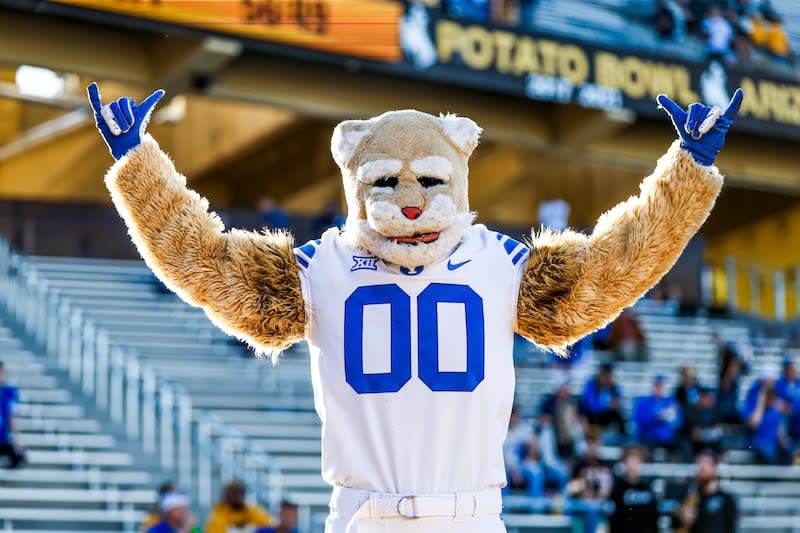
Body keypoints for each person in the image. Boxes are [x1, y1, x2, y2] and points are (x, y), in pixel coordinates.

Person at [89, 77, 741, 533]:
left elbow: (608, 269)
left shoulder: (495, 259)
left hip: (471, 516)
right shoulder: (324, 263)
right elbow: (208, 264)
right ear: (353, 176)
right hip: (364, 514)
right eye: (388, 182)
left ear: (456, 172)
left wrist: (686, 172)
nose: (408, 200)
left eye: (429, 180)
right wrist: (137, 166)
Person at [672, 450, 738, 533]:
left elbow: (731, 527)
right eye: (698, 463)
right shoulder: (690, 497)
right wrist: (681, 517)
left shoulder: (727, 499)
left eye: (705, 463)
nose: (701, 467)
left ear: (714, 467)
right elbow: (674, 524)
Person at [742, 363, 791, 464]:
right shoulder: (752, 401)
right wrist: (761, 401)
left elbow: (781, 430)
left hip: (773, 446)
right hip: (757, 444)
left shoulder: (777, 405)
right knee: (767, 451)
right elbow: (754, 423)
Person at [608, 445, 658, 533]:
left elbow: (653, 518)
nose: (633, 465)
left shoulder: (648, 490)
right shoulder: (617, 490)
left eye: (637, 461)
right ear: (624, 463)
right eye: (630, 460)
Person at [633, 375, 684, 456]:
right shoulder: (644, 402)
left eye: (662, 386)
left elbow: (679, 422)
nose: (659, 388)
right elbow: (638, 419)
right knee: (647, 446)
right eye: (657, 386)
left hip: (667, 437)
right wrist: (656, 417)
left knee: (683, 443)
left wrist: (671, 417)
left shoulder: (671, 402)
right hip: (649, 436)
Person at [205, 480, 272, 533]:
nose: (238, 497)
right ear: (226, 496)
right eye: (234, 494)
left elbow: (271, 527)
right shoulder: (218, 516)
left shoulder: (254, 512)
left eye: (241, 493)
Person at [580, 363, 625, 433]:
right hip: (592, 415)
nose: (607, 378)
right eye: (605, 375)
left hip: (605, 415)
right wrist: (607, 405)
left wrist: (615, 403)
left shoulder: (613, 387)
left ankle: (622, 438)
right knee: (592, 416)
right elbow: (591, 405)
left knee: (618, 416)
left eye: (609, 375)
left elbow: (618, 403)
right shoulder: (592, 385)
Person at [0, 362, 24, 468]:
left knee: (18, 455)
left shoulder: (10, 392)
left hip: (3, 440)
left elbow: (13, 419)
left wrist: (17, 441)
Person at [686, 387, 723, 455]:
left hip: (709, 442)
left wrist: (705, 434)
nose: (710, 400)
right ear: (701, 398)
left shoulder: (713, 411)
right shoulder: (690, 411)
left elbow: (718, 431)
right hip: (694, 444)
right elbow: (694, 434)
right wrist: (708, 433)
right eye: (707, 398)